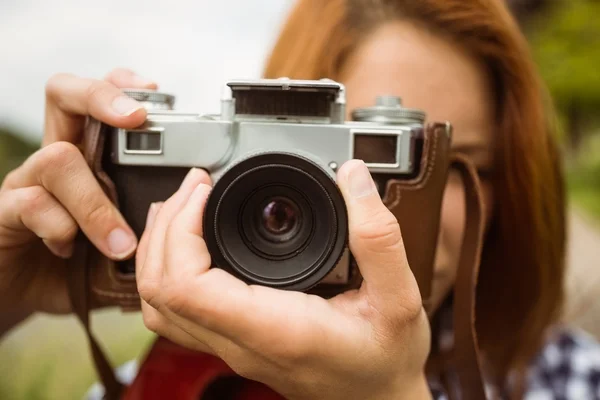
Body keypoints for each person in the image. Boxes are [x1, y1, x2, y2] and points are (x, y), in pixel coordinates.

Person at [1, 0, 599, 398]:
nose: (396, 219)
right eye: (334, 164)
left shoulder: (566, 377)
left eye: (463, 166)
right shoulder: (174, 379)